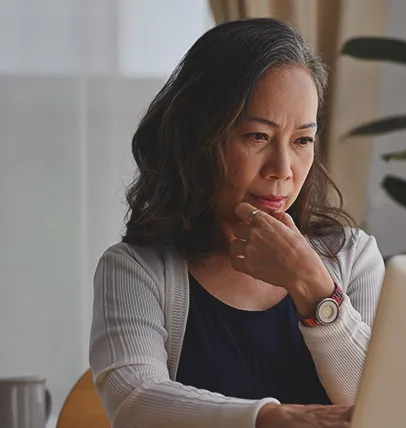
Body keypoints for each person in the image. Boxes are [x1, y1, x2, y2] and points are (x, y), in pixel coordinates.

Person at [88, 17, 385, 428]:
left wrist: (314, 288)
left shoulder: (353, 257)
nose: (283, 169)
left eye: (302, 140)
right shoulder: (137, 269)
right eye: (257, 137)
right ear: (201, 140)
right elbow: (135, 402)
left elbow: (381, 405)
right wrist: (270, 419)